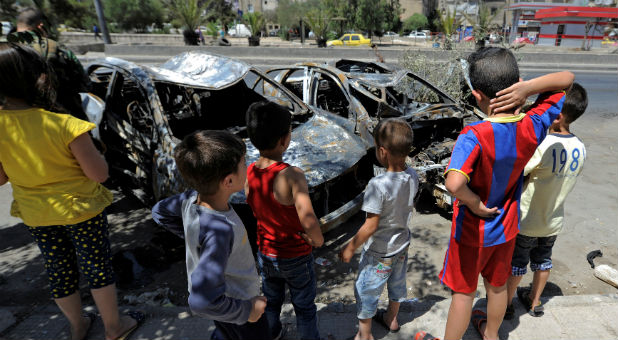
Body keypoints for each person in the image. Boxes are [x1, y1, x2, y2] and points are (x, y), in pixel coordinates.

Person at [419, 47, 574, 340]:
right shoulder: (533, 124)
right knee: (497, 286)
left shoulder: (474, 135)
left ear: (476, 96)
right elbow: (567, 79)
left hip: (472, 233)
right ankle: (491, 334)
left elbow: (453, 184)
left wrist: (475, 203)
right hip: (506, 228)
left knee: (463, 294)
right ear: (517, 83)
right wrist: (529, 88)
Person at [0, 42, 143, 340]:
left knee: (59, 270)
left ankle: (78, 326)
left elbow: (1, 179)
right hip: (81, 210)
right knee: (97, 268)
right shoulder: (65, 125)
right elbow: (99, 174)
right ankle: (114, 327)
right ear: (38, 79)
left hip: (36, 213)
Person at [151, 130, 270, 340]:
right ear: (229, 181)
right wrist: (248, 310)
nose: (248, 165)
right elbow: (202, 302)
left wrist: (194, 238)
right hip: (238, 304)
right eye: (244, 162)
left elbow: (159, 212)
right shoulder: (220, 230)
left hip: (223, 302)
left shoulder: (188, 200)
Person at [505, 83, 588, 319]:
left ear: (557, 116)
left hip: (527, 219)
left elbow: (519, 170)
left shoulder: (544, 145)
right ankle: (534, 301)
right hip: (553, 220)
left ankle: (508, 304)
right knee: (543, 261)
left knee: (517, 263)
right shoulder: (580, 147)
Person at [245, 101, 324, 340]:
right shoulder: (292, 175)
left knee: (271, 302)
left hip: (267, 254)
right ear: (284, 140)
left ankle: (273, 333)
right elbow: (307, 217)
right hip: (296, 256)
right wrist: (317, 240)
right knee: (304, 308)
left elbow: (254, 206)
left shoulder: (250, 171)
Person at [340, 118, 419, 340]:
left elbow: (371, 225)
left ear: (382, 152)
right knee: (396, 283)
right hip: (401, 244)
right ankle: (391, 319)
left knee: (366, 289)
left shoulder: (378, 185)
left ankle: (364, 334)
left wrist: (350, 247)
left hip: (379, 252)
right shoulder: (412, 175)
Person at [8, 7, 90, 121]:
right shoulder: (57, 48)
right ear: (41, 26)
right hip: (63, 121)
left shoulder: (5, 50)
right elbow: (84, 82)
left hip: (15, 123)